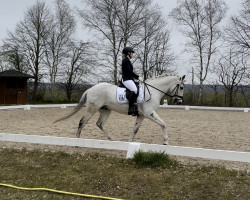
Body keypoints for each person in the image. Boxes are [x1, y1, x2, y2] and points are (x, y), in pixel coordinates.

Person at [121, 46, 142, 116]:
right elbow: (129, 71)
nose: (132, 54)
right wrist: (137, 77)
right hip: (126, 79)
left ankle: (136, 106)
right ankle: (130, 108)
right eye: (132, 53)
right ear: (128, 53)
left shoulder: (127, 60)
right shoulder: (125, 60)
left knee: (138, 87)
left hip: (130, 79)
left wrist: (135, 78)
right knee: (134, 90)